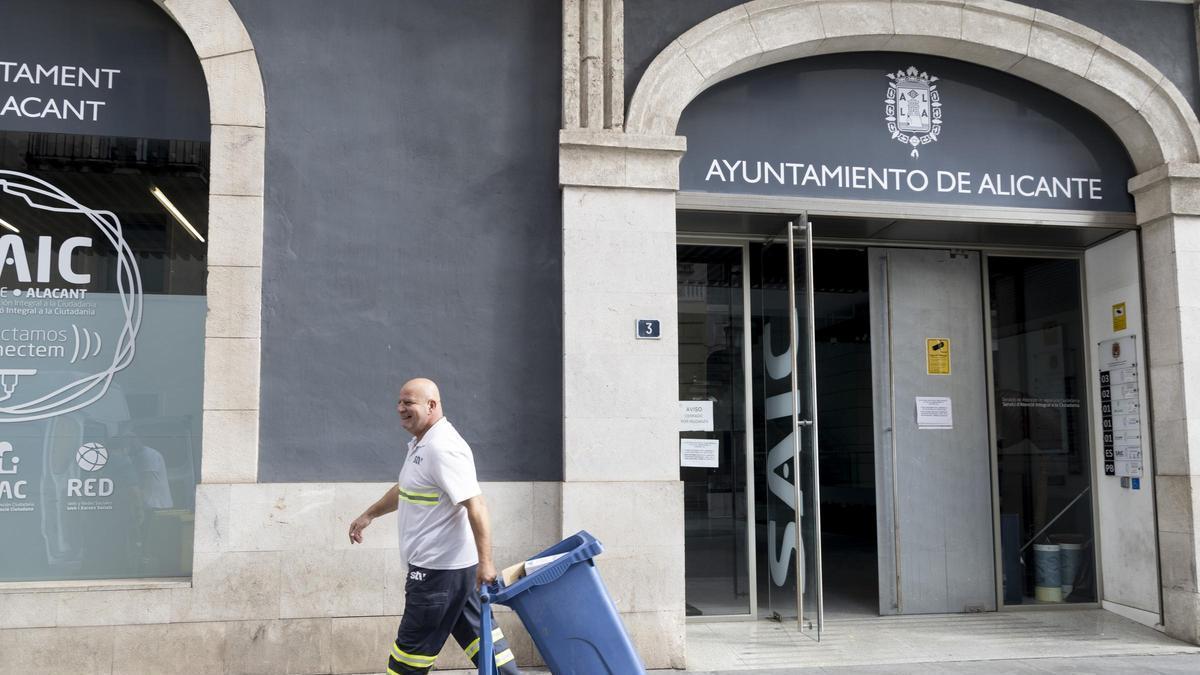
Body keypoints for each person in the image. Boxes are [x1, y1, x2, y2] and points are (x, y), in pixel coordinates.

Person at [349, 378, 520, 674]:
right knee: (486, 647)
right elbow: (407, 488)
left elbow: (476, 505)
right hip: (453, 572)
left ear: (431, 405)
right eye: (399, 402)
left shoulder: (442, 448)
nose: (400, 408)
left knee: (408, 658)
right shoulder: (423, 444)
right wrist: (370, 514)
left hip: (436, 575)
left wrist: (487, 563)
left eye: (408, 402)